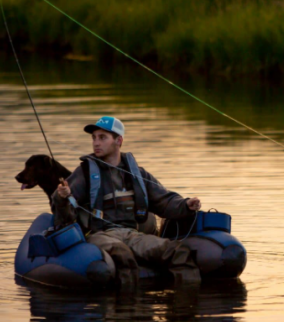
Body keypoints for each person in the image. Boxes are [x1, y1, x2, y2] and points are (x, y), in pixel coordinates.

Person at [51, 116, 202, 288]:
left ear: (119, 140)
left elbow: (164, 200)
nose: (96, 143)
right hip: (100, 235)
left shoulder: (137, 173)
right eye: (94, 138)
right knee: (123, 254)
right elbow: (64, 216)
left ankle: (188, 307)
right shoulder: (84, 172)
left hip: (133, 235)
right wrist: (62, 196)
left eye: (102, 137)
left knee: (177, 251)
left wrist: (186, 204)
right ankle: (128, 311)